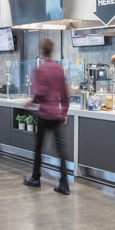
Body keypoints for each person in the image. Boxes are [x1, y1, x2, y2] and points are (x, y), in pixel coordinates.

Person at [23, 39, 71, 195]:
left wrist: (31, 102)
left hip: (44, 114)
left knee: (39, 147)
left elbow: (40, 93)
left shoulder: (40, 70)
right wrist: (63, 113)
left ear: (42, 52)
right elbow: (65, 94)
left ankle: (35, 178)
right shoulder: (59, 69)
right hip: (56, 114)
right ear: (52, 51)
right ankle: (64, 184)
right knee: (61, 150)